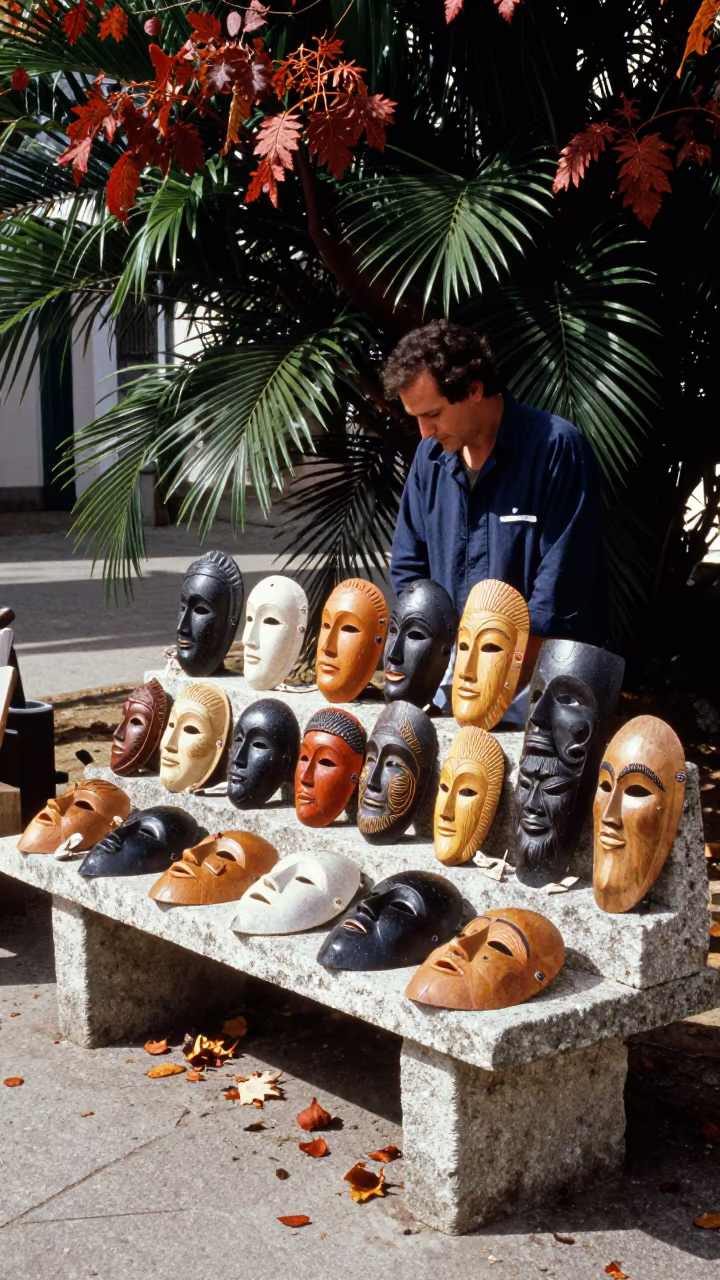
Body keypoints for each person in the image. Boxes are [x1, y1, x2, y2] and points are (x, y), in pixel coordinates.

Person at [383, 321, 606, 696]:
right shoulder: (429, 458)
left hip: (539, 695)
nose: (424, 431)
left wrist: (493, 685)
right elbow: (410, 573)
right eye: (416, 417)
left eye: (433, 414)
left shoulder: (556, 450)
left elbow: (559, 596)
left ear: (474, 389)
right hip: (446, 689)